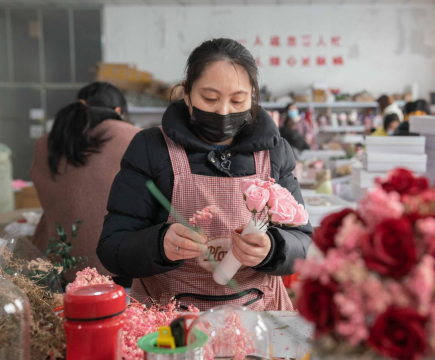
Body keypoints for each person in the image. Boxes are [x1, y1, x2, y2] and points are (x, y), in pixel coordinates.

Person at [97, 38, 313, 311]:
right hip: (169, 320)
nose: (223, 111)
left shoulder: (275, 151)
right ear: (187, 93)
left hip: (260, 313)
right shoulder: (152, 149)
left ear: (253, 95)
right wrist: (159, 244)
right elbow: (112, 247)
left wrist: (273, 249)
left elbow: (303, 242)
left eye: (237, 100)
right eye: (209, 98)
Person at [30, 82, 140, 286]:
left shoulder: (45, 141)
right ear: (118, 111)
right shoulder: (135, 137)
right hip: (117, 270)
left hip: (58, 268)